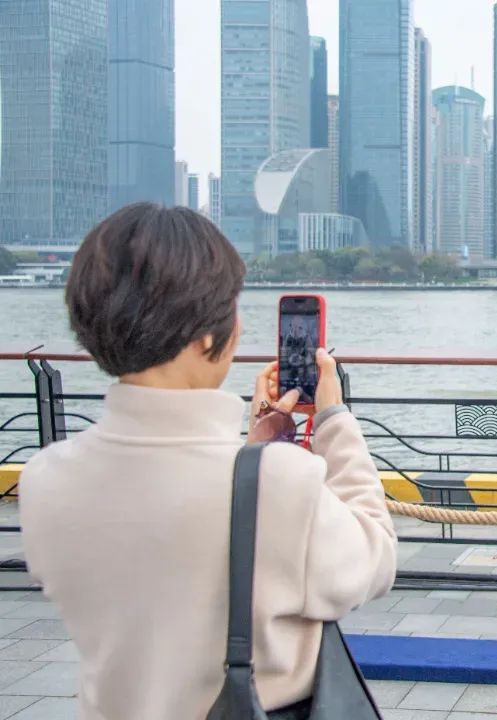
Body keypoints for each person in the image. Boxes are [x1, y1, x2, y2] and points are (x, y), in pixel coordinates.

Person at [18, 204, 397, 719]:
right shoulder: (277, 482)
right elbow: (372, 561)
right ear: (205, 332)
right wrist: (333, 418)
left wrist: (253, 451)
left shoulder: (45, 478)